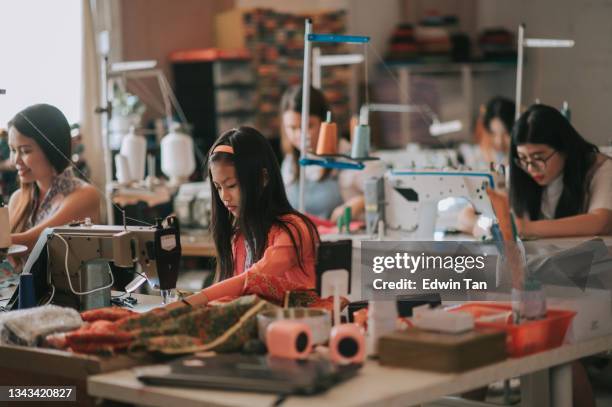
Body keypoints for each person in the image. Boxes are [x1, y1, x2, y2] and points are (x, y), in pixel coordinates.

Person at [174, 127, 320, 307]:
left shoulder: (293, 231)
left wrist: (194, 301)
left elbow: (253, 280)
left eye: (232, 185)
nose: (224, 197)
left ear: (263, 178)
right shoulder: (239, 235)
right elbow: (234, 295)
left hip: (293, 323)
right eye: (218, 187)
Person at [510, 104, 612, 238]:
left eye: (539, 158)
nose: (530, 168)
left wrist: (527, 228)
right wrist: (479, 225)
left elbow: (601, 222)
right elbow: (474, 213)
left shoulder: (599, 168)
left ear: (564, 148)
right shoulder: (520, 170)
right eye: (523, 158)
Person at [7, 104, 100, 250]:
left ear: (51, 149)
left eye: (25, 151)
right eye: (13, 150)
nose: (15, 160)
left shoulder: (85, 195)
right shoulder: (17, 199)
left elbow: (33, 242)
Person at [280, 85, 365, 221]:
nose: (300, 135)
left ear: (325, 122)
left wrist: (360, 202)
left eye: (308, 126)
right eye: (292, 128)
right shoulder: (290, 163)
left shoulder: (348, 158)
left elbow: (381, 194)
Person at [457, 97, 515, 235]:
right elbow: (465, 217)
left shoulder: (521, 160)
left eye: (506, 134)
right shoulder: (478, 157)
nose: (499, 141)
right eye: (494, 134)